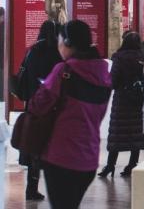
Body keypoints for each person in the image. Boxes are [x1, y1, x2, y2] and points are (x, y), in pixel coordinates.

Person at [28, 20, 111, 209]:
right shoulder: (103, 74)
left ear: (67, 42)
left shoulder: (64, 71)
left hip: (61, 156)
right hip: (89, 158)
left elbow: (38, 105)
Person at [99, 31, 144, 178]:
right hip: (137, 99)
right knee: (135, 133)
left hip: (122, 99)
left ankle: (110, 165)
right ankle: (132, 164)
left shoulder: (119, 57)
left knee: (117, 134)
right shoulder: (142, 57)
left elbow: (114, 80)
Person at [18, 20, 62, 201]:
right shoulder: (57, 54)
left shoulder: (32, 51)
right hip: (52, 107)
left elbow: (25, 75)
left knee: (34, 148)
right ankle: (57, 189)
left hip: (34, 105)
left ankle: (31, 187)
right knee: (54, 147)